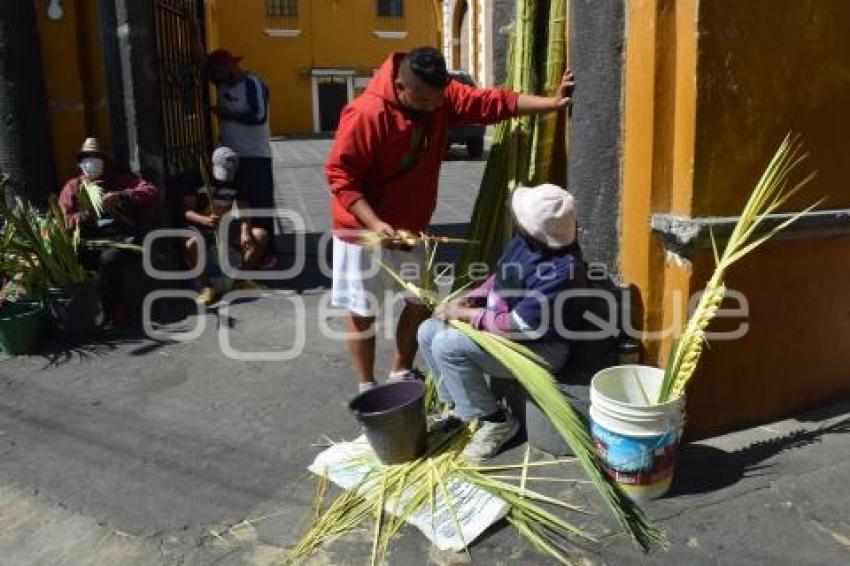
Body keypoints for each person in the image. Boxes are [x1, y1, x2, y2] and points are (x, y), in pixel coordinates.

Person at [325, 46, 575, 393]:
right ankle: (367, 384)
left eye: (438, 99)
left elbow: (491, 103)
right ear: (400, 86)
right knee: (362, 311)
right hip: (362, 233)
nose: (433, 107)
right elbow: (340, 176)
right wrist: (375, 224)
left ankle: (401, 370)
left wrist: (552, 104)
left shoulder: (440, 97)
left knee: (421, 302)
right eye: (424, 100)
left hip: (412, 231)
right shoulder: (366, 113)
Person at [417, 184, 587, 462]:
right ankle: (461, 409)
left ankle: (497, 422)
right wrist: (475, 297)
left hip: (540, 348)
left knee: (449, 344)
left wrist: (468, 316)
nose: (516, 218)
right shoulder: (526, 241)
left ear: (536, 229)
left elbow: (519, 324)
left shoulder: (561, 270)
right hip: (506, 327)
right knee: (428, 331)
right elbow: (500, 277)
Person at [58, 137, 159, 325]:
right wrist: (85, 215)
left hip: (120, 239)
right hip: (88, 242)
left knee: (109, 259)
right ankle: (83, 310)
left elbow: (151, 191)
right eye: (87, 158)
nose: (92, 162)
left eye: (96, 158)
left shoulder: (117, 180)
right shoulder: (73, 187)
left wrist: (123, 195)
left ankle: (115, 308)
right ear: (81, 163)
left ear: (104, 162)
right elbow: (64, 219)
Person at [203, 49, 276, 268]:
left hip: (255, 156)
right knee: (237, 202)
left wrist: (226, 115)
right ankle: (243, 248)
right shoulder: (222, 84)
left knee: (260, 206)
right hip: (229, 157)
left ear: (229, 66)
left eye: (218, 71)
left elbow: (258, 116)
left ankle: (266, 254)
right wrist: (194, 28)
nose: (215, 77)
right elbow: (202, 63)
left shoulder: (253, 84)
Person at [183, 147, 267, 306]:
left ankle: (240, 281)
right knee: (192, 244)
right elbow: (187, 212)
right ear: (211, 163)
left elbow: (243, 207)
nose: (224, 178)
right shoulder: (194, 178)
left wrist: (245, 230)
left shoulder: (239, 178)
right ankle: (207, 286)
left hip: (226, 224)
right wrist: (204, 220)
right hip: (200, 225)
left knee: (260, 236)